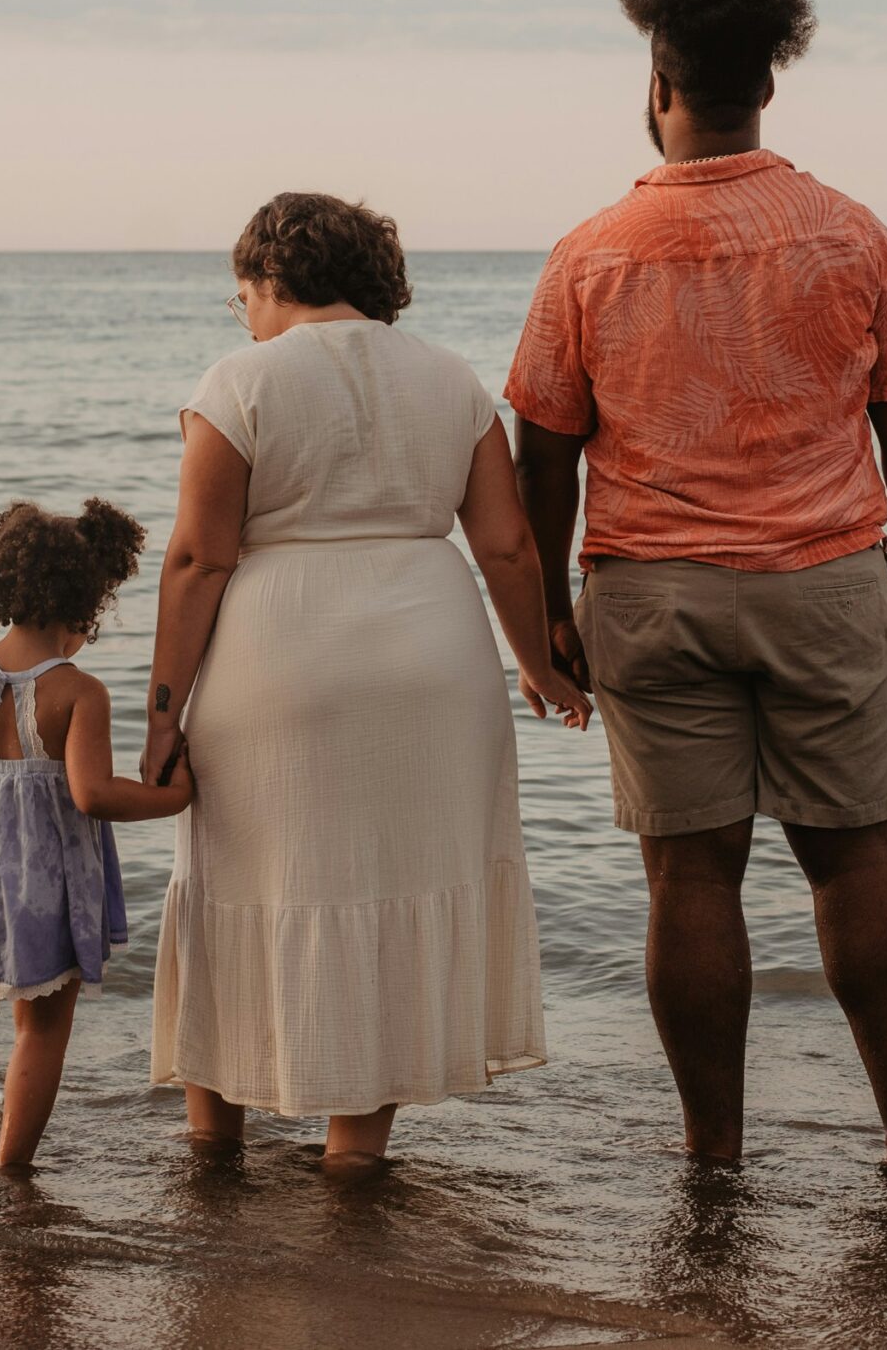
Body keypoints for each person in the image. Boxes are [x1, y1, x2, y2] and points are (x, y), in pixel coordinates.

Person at [508, 0, 887, 1173]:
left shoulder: (589, 253)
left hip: (650, 594)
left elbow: (540, 455)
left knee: (689, 877)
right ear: (768, 83)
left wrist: (545, 611)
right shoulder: (850, 234)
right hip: (823, 580)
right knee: (857, 854)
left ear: (658, 86)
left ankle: (714, 1150)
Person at [142, 193, 592, 1174]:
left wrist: (160, 713)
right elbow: (509, 548)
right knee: (392, 889)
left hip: (280, 659)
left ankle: (212, 1147)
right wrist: (539, 664)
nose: (244, 312)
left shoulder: (239, 380)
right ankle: (354, 1159)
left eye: (242, 294)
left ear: (269, 278)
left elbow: (194, 561)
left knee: (236, 880)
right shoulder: (449, 378)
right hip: (432, 665)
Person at [0, 499, 193, 1169]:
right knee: (44, 1023)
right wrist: (172, 797)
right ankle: (12, 1167)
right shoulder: (78, 693)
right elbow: (91, 793)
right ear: (85, 607)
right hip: (40, 871)